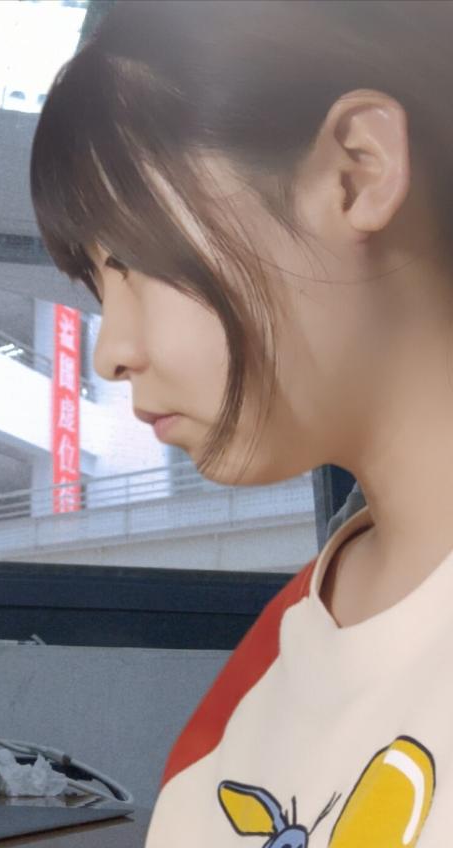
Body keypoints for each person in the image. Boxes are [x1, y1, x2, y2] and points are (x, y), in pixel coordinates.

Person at [31, 1, 453, 844]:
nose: (111, 352)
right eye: (97, 284)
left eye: (135, 260)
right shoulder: (279, 650)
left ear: (359, 170)